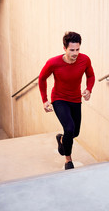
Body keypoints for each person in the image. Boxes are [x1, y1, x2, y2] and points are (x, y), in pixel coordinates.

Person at [38, 31, 95, 170]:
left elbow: (91, 75)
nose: (75, 53)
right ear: (64, 48)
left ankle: (62, 139)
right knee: (69, 128)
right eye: (72, 50)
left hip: (75, 99)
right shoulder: (53, 62)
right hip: (59, 99)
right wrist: (45, 100)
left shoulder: (85, 60)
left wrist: (89, 89)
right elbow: (42, 78)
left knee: (75, 133)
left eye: (78, 49)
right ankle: (68, 160)